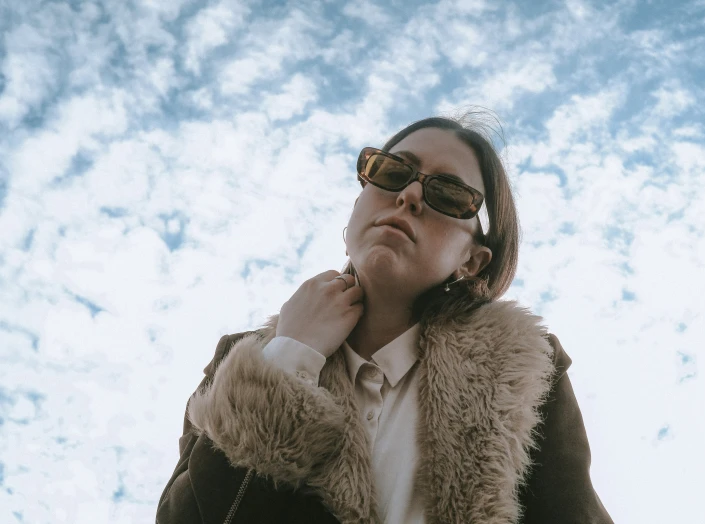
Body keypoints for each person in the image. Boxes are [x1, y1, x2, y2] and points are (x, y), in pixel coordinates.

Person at [156, 112, 615, 523]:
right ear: (359, 202)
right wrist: (289, 358)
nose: (411, 194)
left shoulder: (524, 371)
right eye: (393, 172)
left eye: (449, 193)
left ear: (472, 261)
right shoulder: (243, 362)